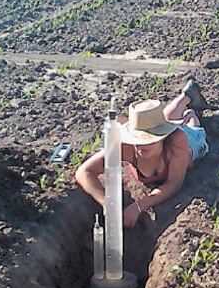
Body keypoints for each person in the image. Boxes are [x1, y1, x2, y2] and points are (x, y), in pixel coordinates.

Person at [75, 81, 208, 228]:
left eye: (149, 139)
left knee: (193, 127)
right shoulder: (125, 147)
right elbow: (84, 171)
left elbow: (173, 184)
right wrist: (106, 202)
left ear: (162, 138)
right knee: (161, 119)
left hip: (191, 144)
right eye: (138, 139)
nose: (142, 145)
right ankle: (186, 96)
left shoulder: (178, 142)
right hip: (164, 127)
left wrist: (138, 206)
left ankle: (190, 113)